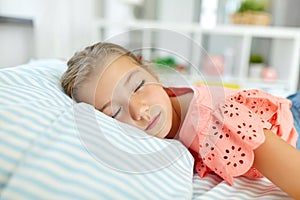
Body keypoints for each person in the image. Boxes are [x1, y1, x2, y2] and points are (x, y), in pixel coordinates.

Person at [61, 42, 300, 199]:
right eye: (114, 113)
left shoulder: (213, 121)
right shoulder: (166, 104)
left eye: (139, 86)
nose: (140, 110)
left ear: (152, 74)